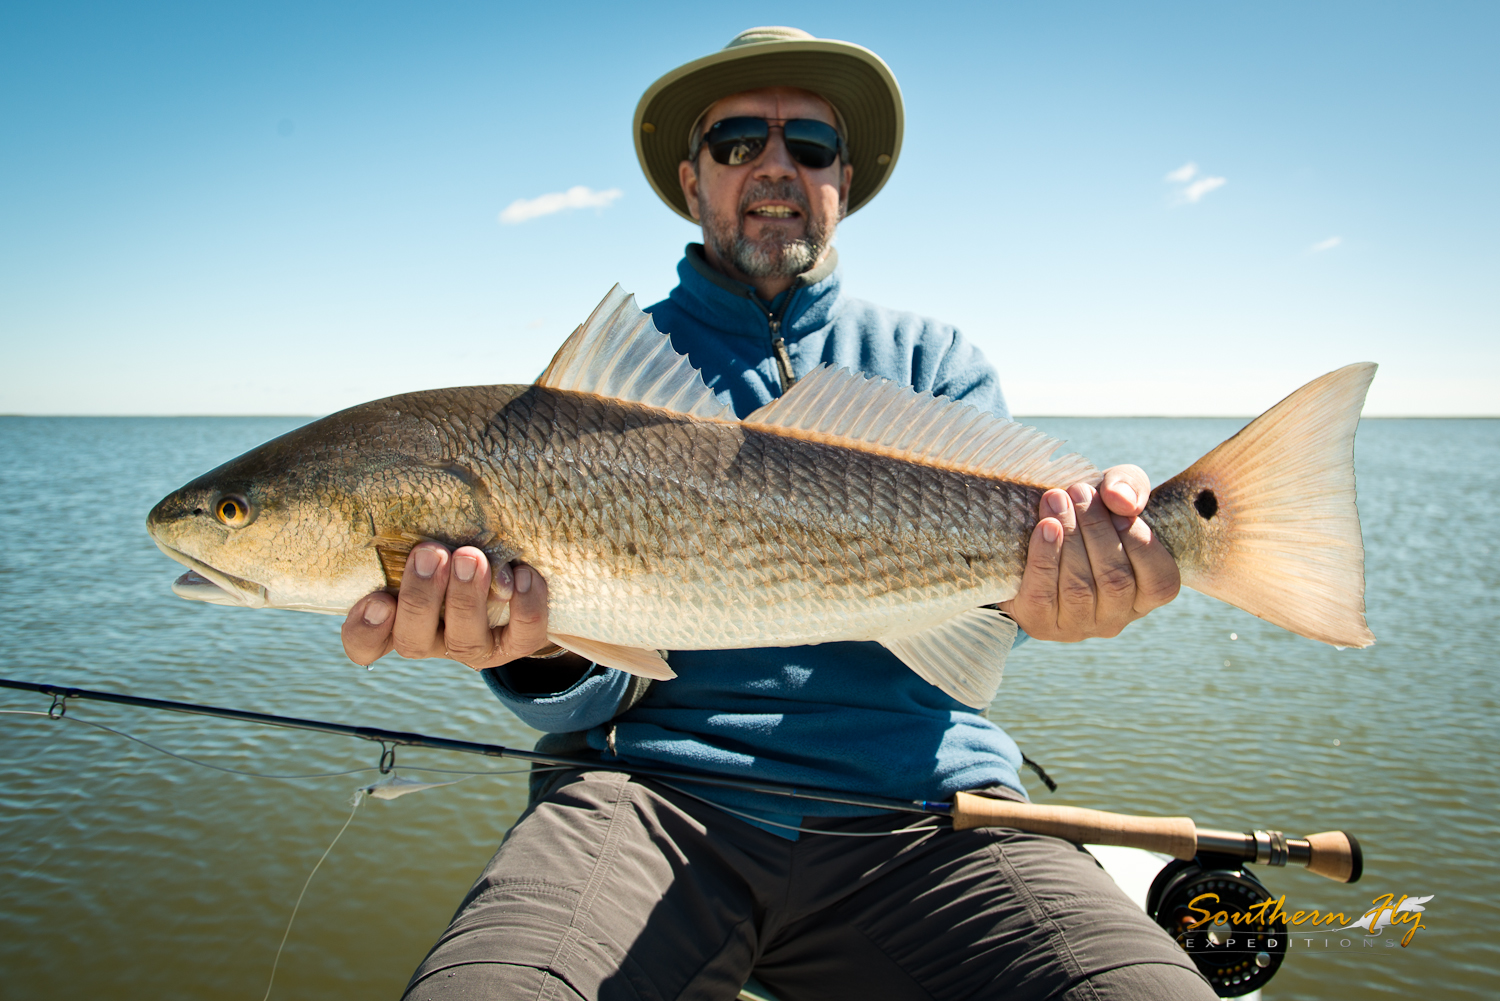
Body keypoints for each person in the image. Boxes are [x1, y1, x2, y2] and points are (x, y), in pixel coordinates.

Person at [343, 26, 1213, 1001]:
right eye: (736, 141)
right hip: (646, 802)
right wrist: (530, 646)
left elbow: (995, 618)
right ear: (690, 177)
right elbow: (593, 688)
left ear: (843, 177)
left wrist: (1072, 588)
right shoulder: (586, 397)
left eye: (808, 145)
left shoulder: (935, 361)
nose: (774, 165)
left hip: (929, 814)